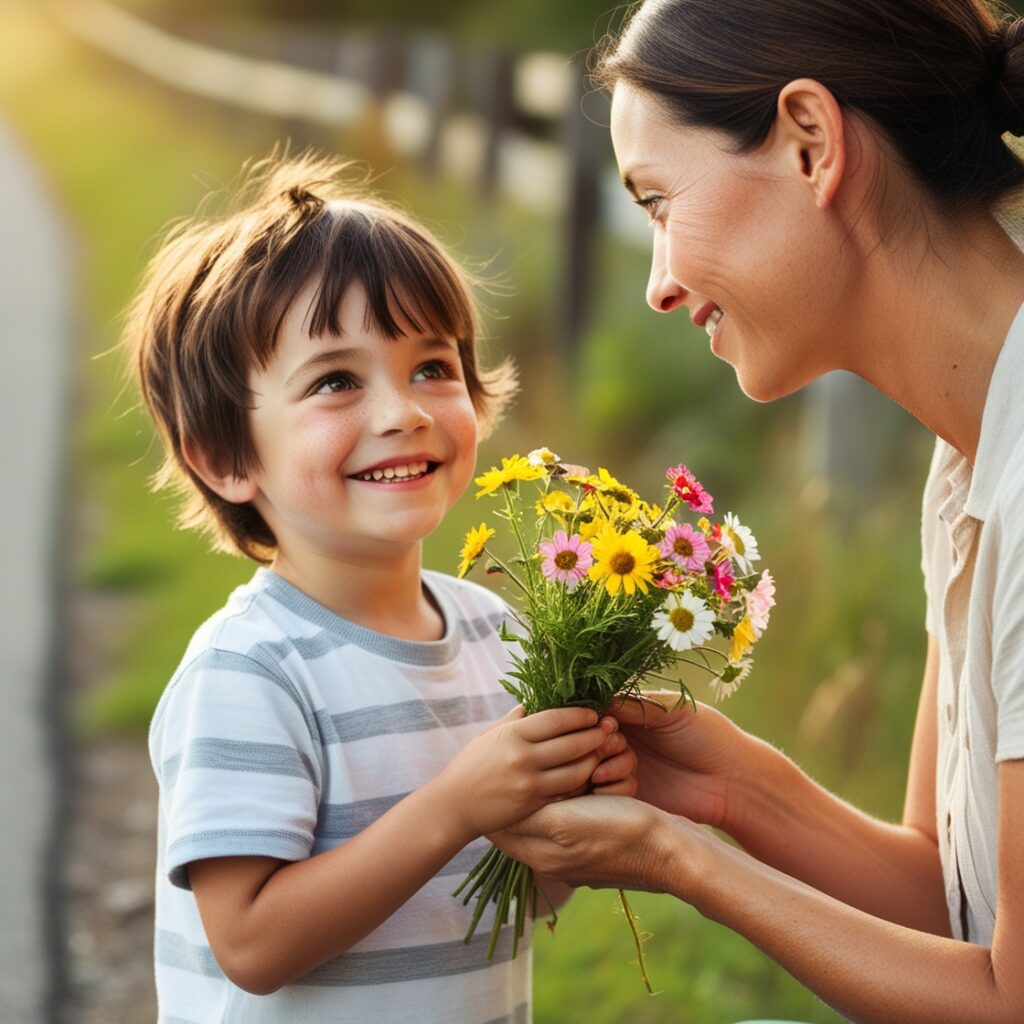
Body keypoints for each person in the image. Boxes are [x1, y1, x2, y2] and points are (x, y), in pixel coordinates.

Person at [495, 1, 1024, 1021]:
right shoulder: (969, 460)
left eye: (658, 199)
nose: (656, 284)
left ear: (809, 144)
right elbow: (946, 902)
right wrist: (730, 789)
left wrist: (679, 859)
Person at [124, 151, 636, 1023]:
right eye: (335, 381)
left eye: (432, 367)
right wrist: (456, 806)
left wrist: (568, 824)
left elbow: (515, 900)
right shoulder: (250, 670)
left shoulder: (496, 633)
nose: (403, 412)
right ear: (225, 456)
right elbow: (251, 945)